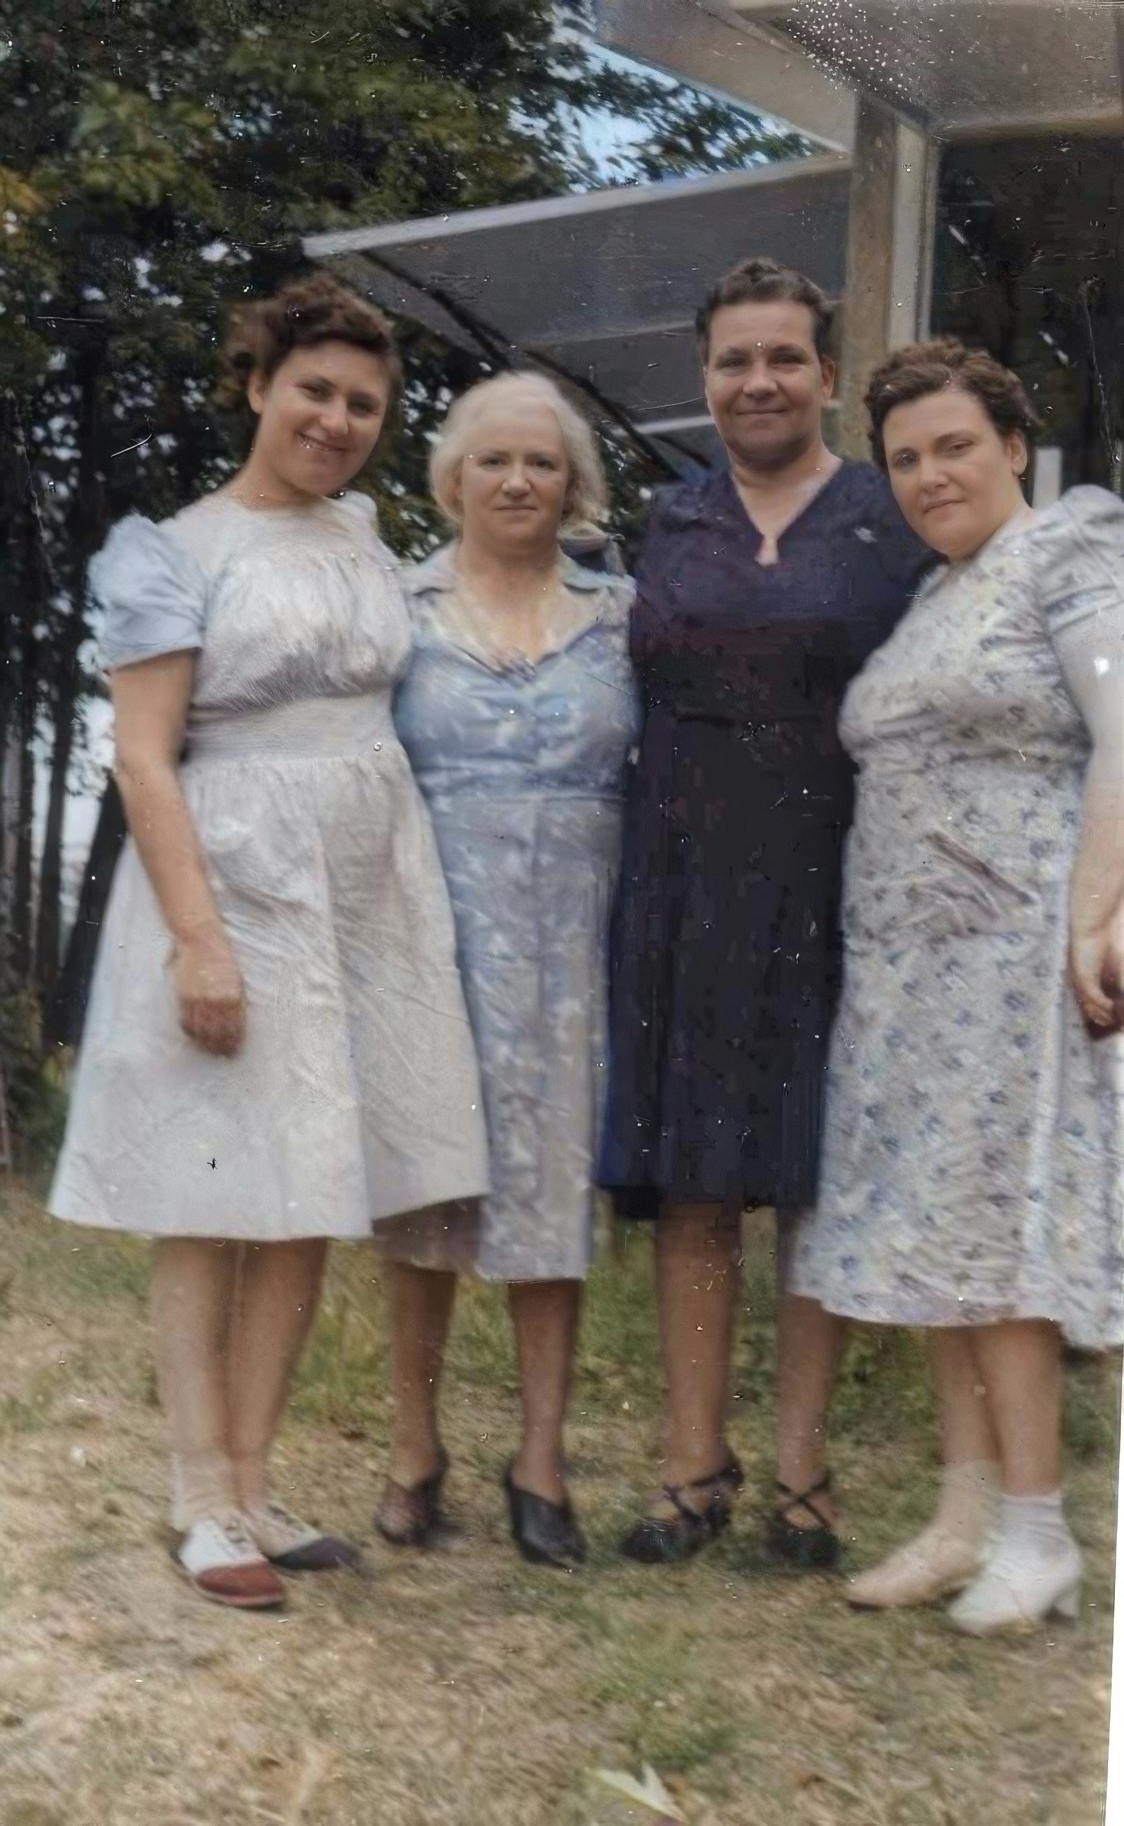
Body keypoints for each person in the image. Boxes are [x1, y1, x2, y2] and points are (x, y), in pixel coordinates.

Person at [48, 274, 488, 1610]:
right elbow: (141, 755)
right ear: (256, 386)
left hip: (361, 891)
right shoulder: (172, 551)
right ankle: (197, 1495)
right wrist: (199, 942)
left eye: (364, 402)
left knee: (305, 1197)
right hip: (231, 880)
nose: (338, 419)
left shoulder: (365, 537)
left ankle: (252, 1474)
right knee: (208, 1196)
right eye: (314, 390)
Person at [599, 258, 931, 1567]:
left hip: (835, 874)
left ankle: (804, 1476)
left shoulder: (884, 515)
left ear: (830, 376)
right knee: (694, 1187)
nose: (759, 380)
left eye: (784, 356)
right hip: (682, 877)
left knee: (809, 1182)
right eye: (734, 360)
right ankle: (693, 1466)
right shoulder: (670, 519)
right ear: (705, 379)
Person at [790, 340, 1124, 1634]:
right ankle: (966, 1513)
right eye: (908, 457)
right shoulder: (939, 592)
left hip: (1018, 949)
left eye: (954, 447)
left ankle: (1038, 1532)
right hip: (910, 971)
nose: (932, 474)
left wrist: (1104, 914)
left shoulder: (1072, 550)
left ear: (1014, 448)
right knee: (942, 1239)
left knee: (1002, 1245)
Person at [374, 373, 640, 1568]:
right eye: (495, 462)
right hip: (431, 934)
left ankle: (540, 1455)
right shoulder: (395, 607)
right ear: (453, 479)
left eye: (542, 463)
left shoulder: (624, 613)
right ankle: (414, 1447)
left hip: (575, 946)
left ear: (573, 483)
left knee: (549, 1200)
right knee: (425, 1195)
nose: (519, 481)